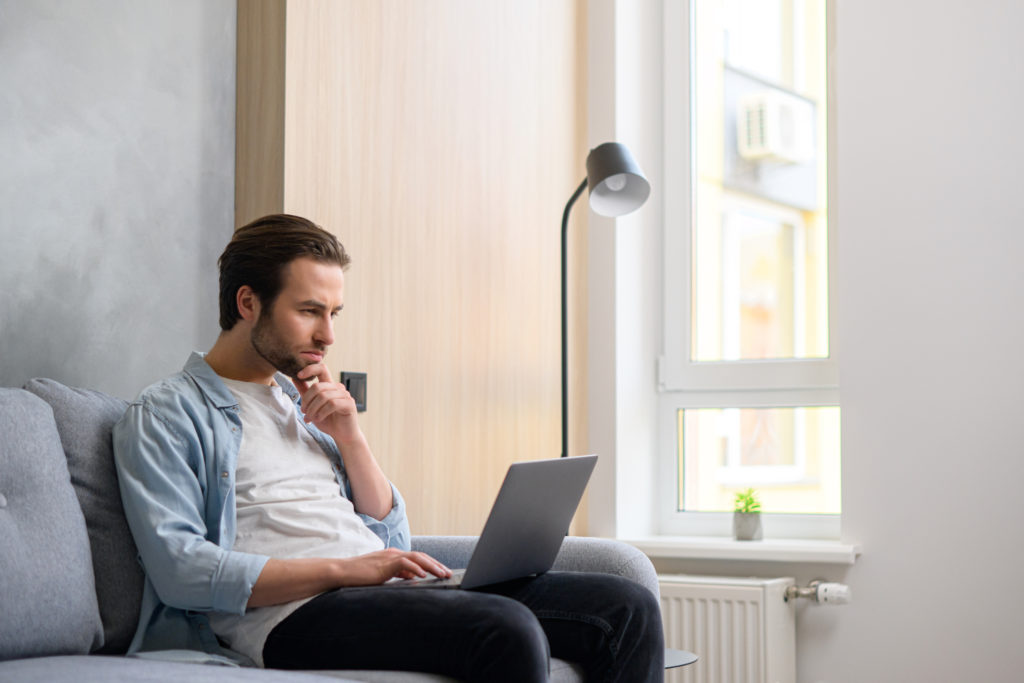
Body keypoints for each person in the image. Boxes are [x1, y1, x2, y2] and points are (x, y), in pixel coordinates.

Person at [113, 214, 663, 682]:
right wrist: (347, 570)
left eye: (334, 314)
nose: (328, 335)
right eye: (310, 311)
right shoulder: (168, 412)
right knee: (505, 626)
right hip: (289, 616)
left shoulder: (302, 404)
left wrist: (350, 437)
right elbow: (182, 572)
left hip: (376, 591)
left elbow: (389, 537)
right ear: (248, 302)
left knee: (624, 605)